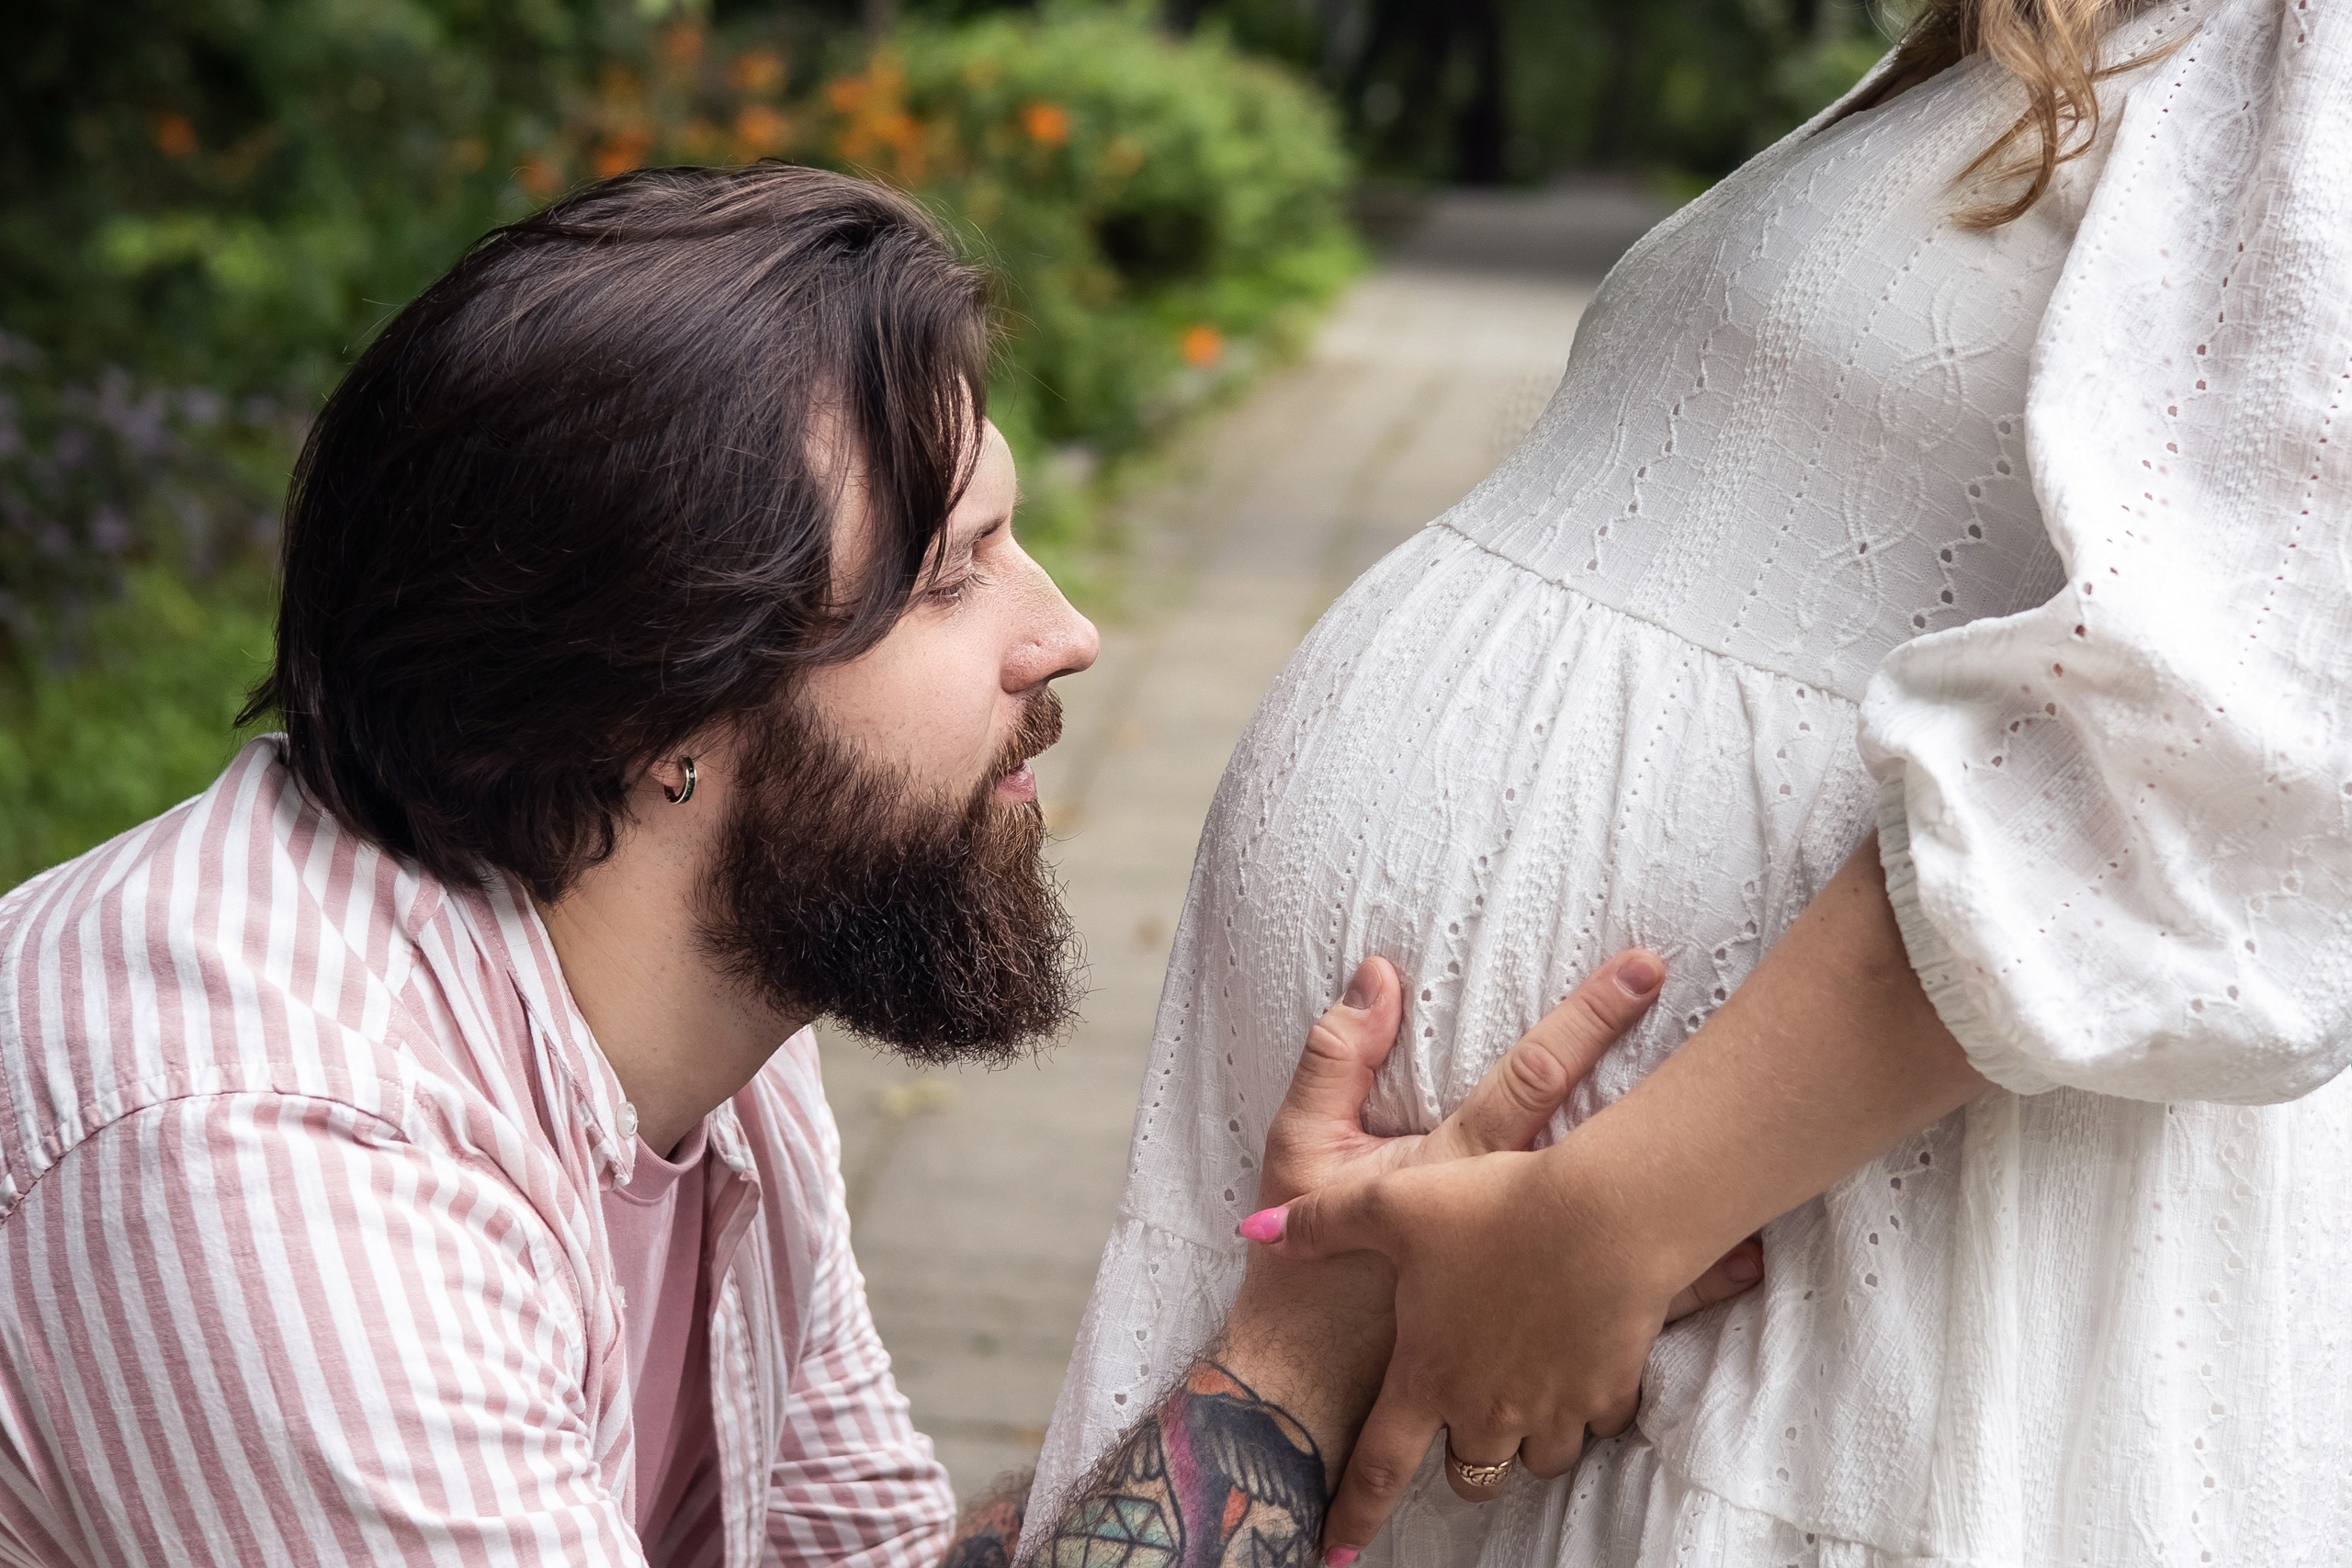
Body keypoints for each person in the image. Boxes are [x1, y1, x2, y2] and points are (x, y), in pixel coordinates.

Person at [0, 164, 1758, 1568]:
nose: (1064, 632)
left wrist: (1343, 1300)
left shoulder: (697, 1032)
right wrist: (1291, 1371)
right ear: (651, 703)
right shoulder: (266, 1165)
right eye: (952, 575)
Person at [1034, 0, 2352, 1563]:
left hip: (1727, 1303)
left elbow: (2249, 730)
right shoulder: (2031, 56)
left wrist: (1617, 1217)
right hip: (1485, 1297)